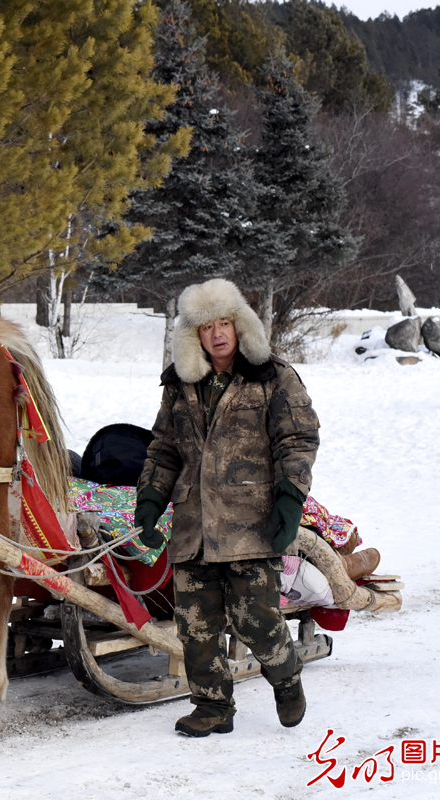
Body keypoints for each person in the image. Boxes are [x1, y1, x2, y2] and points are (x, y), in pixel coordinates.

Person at [135, 278, 320, 737]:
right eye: (205, 327)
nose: (216, 334)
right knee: (196, 625)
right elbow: (164, 448)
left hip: (249, 521)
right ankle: (212, 707)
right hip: (194, 523)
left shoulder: (272, 376)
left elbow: (297, 439)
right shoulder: (180, 384)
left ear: (239, 325)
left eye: (224, 324)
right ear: (193, 335)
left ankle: (285, 675)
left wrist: (289, 499)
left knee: (256, 620)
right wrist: (150, 501)